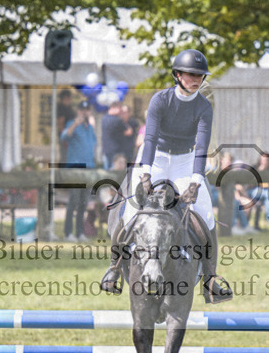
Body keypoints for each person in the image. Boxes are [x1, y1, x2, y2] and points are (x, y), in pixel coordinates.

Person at [100, 49, 233, 303]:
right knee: (129, 210)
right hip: (156, 157)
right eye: (191, 74)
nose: (196, 79)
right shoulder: (160, 100)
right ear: (178, 75)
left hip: (186, 160)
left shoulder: (204, 106)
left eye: (200, 75)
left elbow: (202, 145)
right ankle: (114, 267)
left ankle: (211, 278)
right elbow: (149, 139)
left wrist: (195, 181)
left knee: (206, 214)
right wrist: (146, 174)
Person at [61, 100, 96, 242]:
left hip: (88, 167)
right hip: (75, 167)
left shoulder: (90, 128)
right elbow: (64, 137)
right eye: (82, 110)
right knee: (73, 201)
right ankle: (68, 232)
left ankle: (79, 232)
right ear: (78, 111)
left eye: (87, 110)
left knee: (83, 202)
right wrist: (75, 124)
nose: (85, 112)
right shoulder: (73, 124)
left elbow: (93, 145)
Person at [102, 102, 136, 169]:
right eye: (120, 110)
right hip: (115, 153)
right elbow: (129, 132)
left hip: (108, 151)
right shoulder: (116, 120)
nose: (121, 112)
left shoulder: (105, 118)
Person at [55, 89, 76, 162]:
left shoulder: (69, 107)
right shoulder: (61, 108)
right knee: (65, 156)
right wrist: (64, 139)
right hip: (66, 136)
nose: (70, 100)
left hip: (72, 136)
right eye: (68, 98)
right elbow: (60, 123)